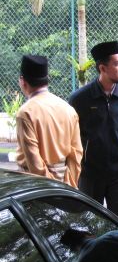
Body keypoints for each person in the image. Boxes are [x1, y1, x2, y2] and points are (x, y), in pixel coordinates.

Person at [69, 41, 118, 223]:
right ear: (102, 68)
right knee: (88, 222)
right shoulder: (79, 99)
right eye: (117, 64)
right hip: (91, 173)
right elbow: (73, 134)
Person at [15, 55, 82, 188]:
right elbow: (76, 154)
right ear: (47, 79)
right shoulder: (68, 109)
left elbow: (34, 163)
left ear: (22, 81)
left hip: (36, 186)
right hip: (65, 184)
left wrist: (51, 188)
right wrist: (67, 186)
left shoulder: (26, 113)